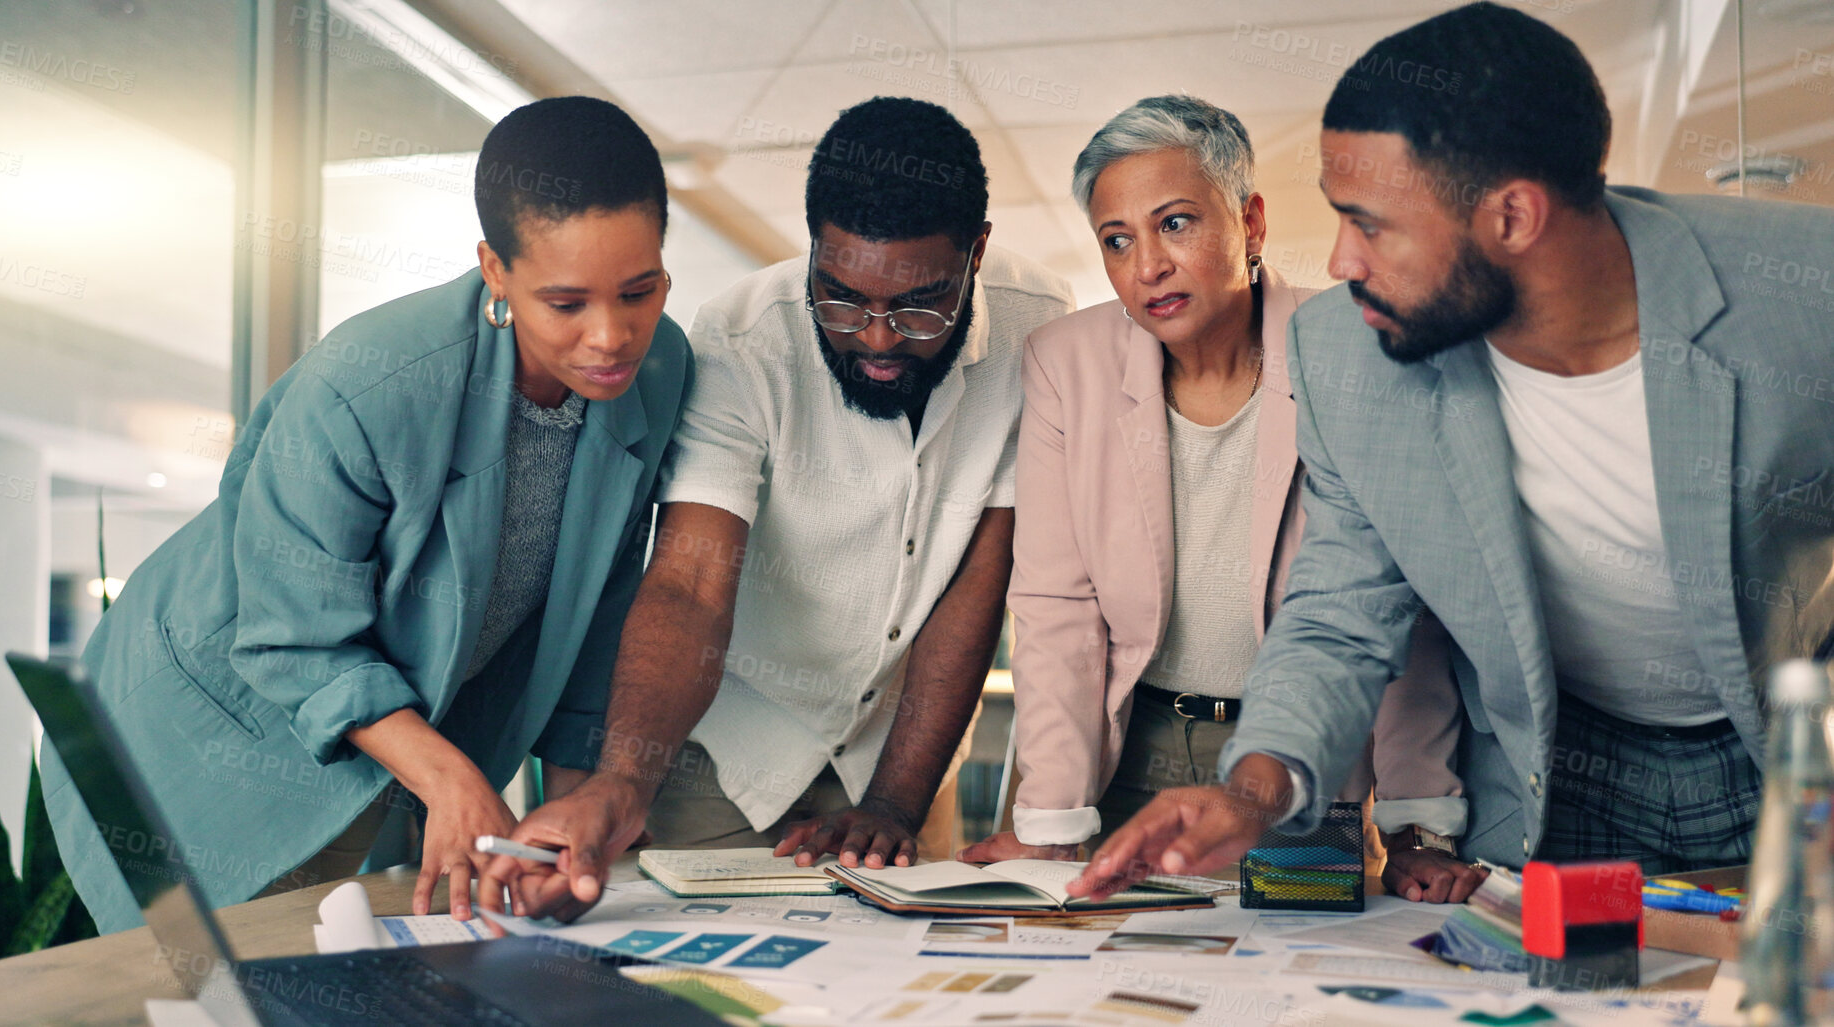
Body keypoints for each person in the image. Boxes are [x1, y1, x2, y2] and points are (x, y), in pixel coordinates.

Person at [1070, 2, 1834, 902]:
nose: (1343, 260)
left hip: (1788, 753)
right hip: (1553, 768)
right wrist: (1253, 790)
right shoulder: (1344, 351)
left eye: (1371, 224)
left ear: (1511, 216)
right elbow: (1340, 611)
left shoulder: (1800, 299)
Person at [42, 97, 693, 932]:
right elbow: (291, 634)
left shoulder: (661, 365)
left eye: (638, 291)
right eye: (566, 303)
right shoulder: (368, 384)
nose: (611, 337)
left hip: (396, 745)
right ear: (495, 270)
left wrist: (579, 829)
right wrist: (451, 779)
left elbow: (598, 607)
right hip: (206, 730)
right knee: (223, 989)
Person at [479, 96, 1074, 921]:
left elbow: (979, 579)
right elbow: (690, 580)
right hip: (726, 751)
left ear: (975, 253)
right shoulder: (740, 339)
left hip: (900, 757)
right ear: (813, 253)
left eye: (917, 307)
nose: (875, 339)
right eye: (839, 299)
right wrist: (621, 785)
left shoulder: (1040, 331)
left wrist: (898, 803)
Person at [956, 95, 1474, 905]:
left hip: (1302, 752)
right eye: (1116, 241)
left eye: (1174, 224)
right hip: (1134, 742)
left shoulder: (1351, 346)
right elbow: (1057, 604)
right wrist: (1049, 821)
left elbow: (1399, 601)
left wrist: (1416, 820)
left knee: (1293, 965)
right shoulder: (1064, 363)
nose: (1146, 266)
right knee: (1120, 964)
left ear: (1251, 223)